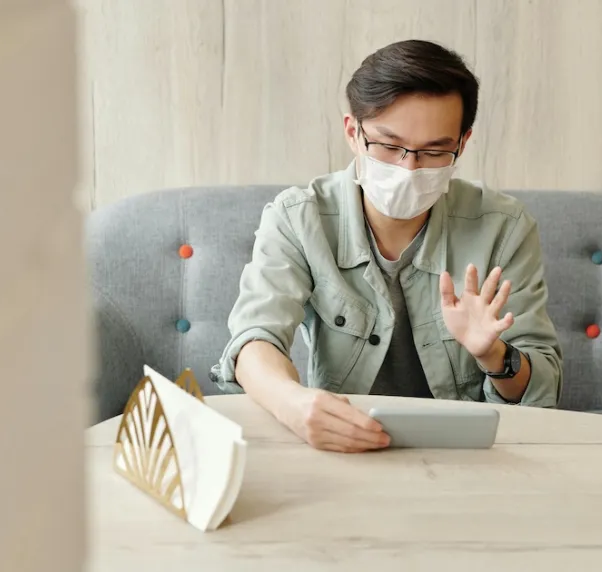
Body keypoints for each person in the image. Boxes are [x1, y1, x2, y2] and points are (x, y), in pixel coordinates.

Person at [211, 39, 562, 453]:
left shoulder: (504, 227)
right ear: (352, 132)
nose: (408, 168)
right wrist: (294, 404)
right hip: (344, 445)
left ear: (462, 144)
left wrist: (495, 356)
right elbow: (256, 339)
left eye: (434, 151)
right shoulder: (298, 218)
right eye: (389, 145)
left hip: (462, 456)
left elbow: (543, 391)